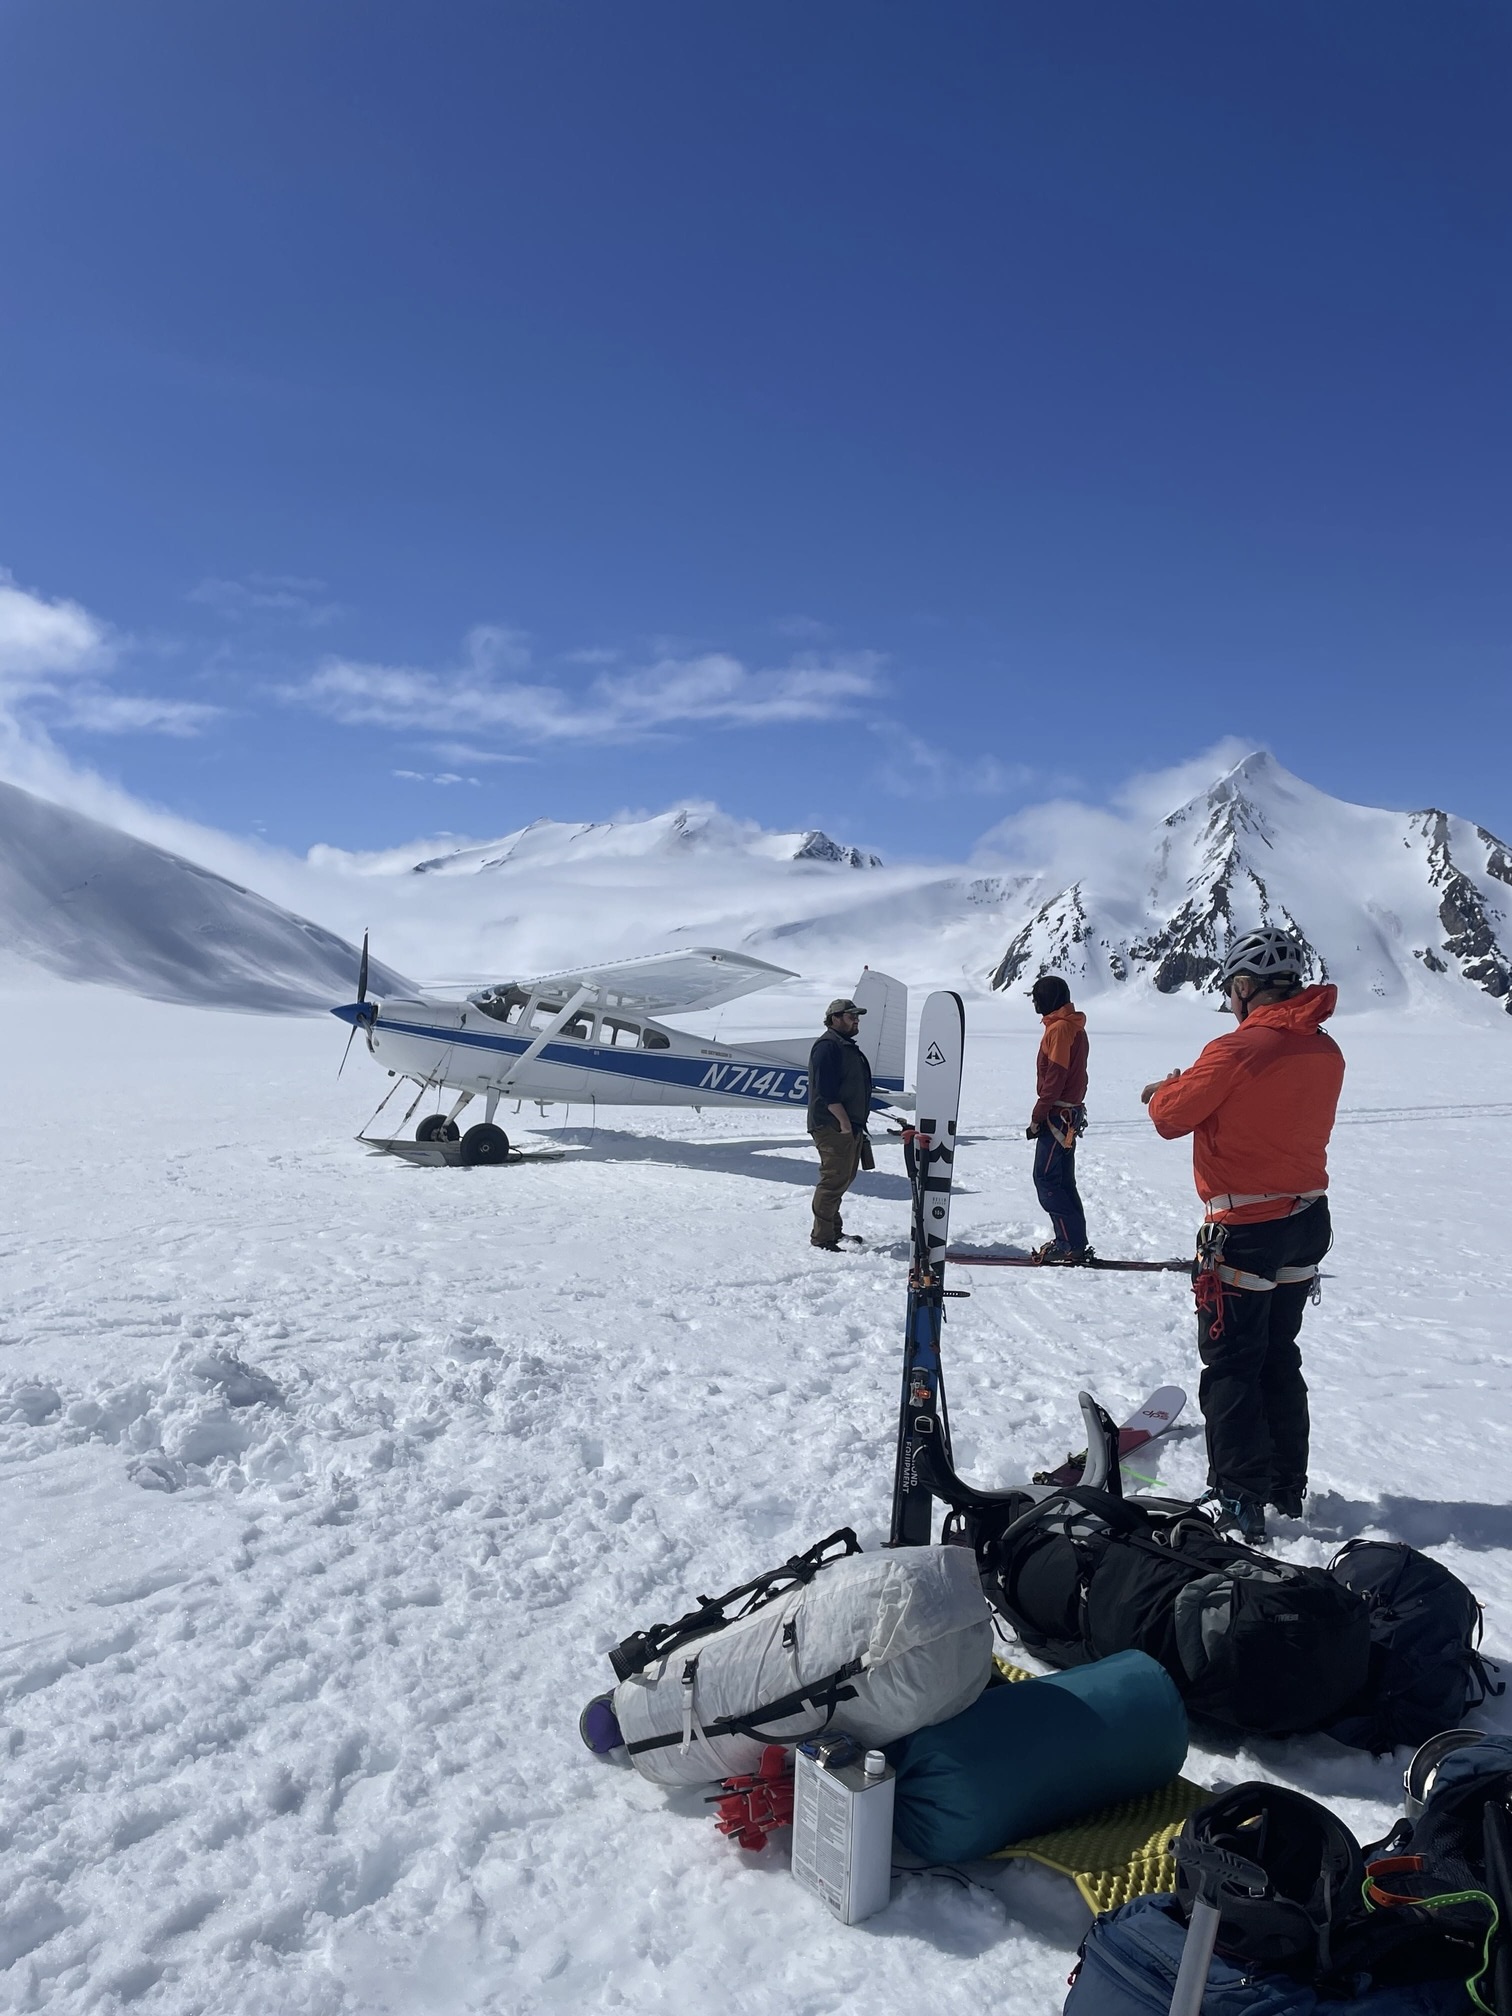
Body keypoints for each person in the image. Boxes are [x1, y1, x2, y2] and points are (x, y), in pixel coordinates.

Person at [1142, 928, 1344, 1546]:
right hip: (1307, 1220)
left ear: (1245, 986)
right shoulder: (1325, 1049)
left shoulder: (1236, 1048)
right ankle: (1285, 1482)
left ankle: (1238, 1495)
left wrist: (1164, 1090)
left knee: (1232, 1364)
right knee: (1279, 1353)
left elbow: (1170, 1118)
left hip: (1246, 1227)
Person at [1027, 974, 1091, 1264]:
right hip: (1068, 1114)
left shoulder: (1060, 1030)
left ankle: (1069, 1244)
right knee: (1063, 1181)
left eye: (1037, 996)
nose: (1034, 1002)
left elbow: (1055, 1076)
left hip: (1057, 1116)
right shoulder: (1070, 1026)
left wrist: (1039, 1114)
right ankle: (1072, 1239)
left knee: (1047, 1179)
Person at [807, 996, 875, 1251]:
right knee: (833, 1180)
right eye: (851, 1016)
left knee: (842, 1178)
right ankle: (822, 1238)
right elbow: (825, 1091)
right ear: (835, 1018)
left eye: (856, 1016)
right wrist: (844, 1122)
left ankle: (833, 1232)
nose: (856, 1020)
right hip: (833, 1126)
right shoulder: (827, 1046)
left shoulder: (844, 1045)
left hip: (847, 1125)